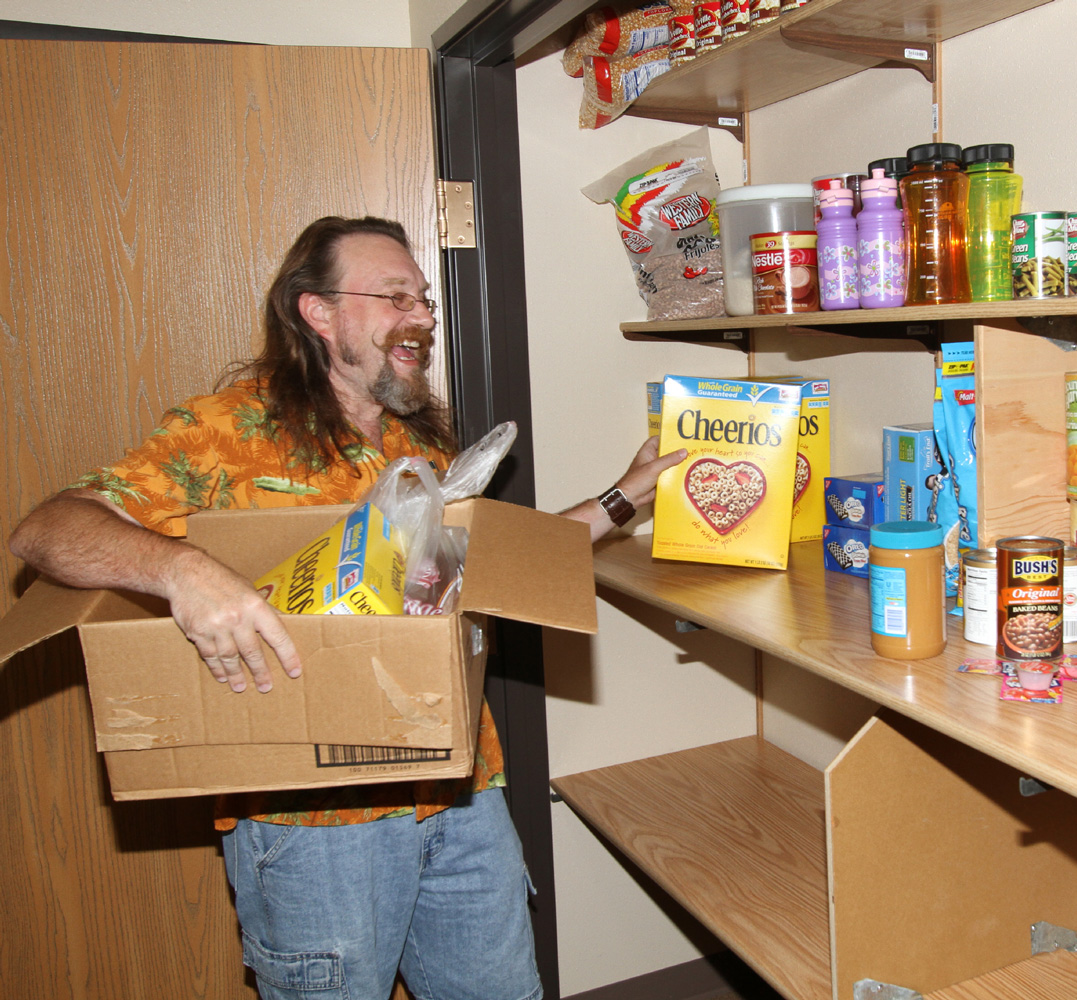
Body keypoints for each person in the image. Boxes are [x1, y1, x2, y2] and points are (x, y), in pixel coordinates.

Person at [8, 216, 684, 1000]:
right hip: (317, 827)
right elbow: (45, 531)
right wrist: (182, 570)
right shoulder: (227, 433)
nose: (425, 317)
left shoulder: (420, 446)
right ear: (317, 312)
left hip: (460, 791)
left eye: (424, 300)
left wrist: (625, 495)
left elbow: (504, 564)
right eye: (397, 296)